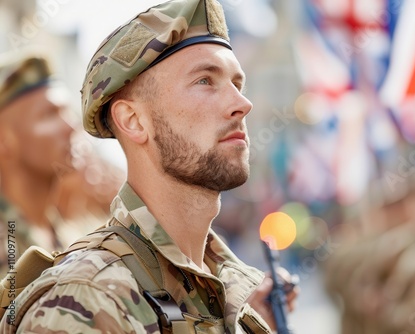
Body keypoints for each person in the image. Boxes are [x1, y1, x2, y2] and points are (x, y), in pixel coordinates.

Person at [1, 0, 298, 333]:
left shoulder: (239, 297)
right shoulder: (85, 304)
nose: (242, 104)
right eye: (204, 81)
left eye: (236, 84)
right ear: (133, 120)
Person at [0, 52, 75, 274]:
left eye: (66, 111)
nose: (71, 127)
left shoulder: (72, 239)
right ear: (4, 141)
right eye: (49, 115)